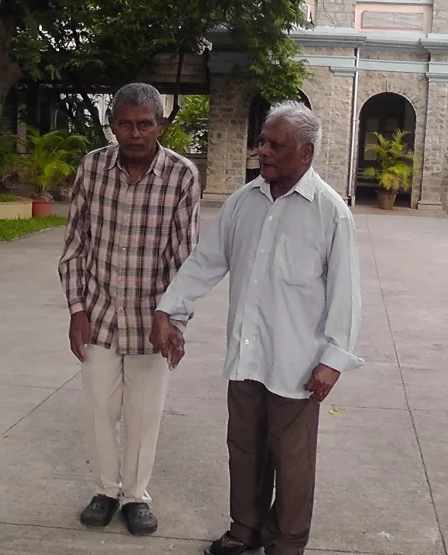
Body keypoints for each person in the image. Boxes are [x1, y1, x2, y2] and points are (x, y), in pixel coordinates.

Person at [150, 100, 362, 555]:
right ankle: (244, 528)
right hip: (247, 357)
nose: (262, 151)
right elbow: (205, 262)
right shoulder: (243, 202)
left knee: (292, 461)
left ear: (305, 153)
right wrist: (171, 310)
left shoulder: (329, 213)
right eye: (262, 141)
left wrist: (333, 360)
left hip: (298, 363)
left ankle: (286, 543)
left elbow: (345, 294)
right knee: (244, 449)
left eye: (274, 144)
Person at [58, 82, 200, 536]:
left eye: (145, 124)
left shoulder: (181, 175)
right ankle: (105, 491)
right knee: (100, 408)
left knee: (144, 413)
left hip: (150, 321)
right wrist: (77, 309)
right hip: (98, 313)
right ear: (113, 125)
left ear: (160, 125)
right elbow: (75, 244)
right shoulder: (92, 168)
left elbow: (185, 257)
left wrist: (174, 319)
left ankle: (136, 497)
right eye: (125, 123)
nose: (135, 133)